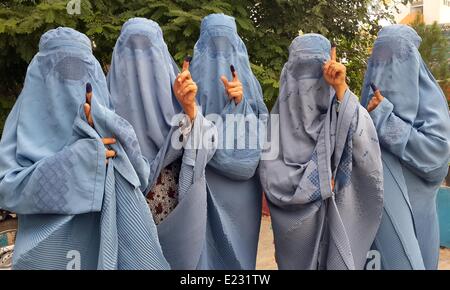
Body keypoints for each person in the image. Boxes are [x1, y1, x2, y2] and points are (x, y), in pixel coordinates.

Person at [0, 27, 169, 269]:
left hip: (104, 248)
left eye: (80, 70)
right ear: (38, 74)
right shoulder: (22, 123)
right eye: (60, 70)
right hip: (44, 256)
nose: (72, 82)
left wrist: (112, 140)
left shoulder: (108, 120)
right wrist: (80, 160)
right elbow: (7, 187)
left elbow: (140, 177)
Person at [259, 34, 384, 270]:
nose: (309, 81)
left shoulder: (343, 111)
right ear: (288, 73)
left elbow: (365, 148)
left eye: (316, 71)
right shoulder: (275, 124)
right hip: (292, 237)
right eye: (301, 70)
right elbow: (269, 176)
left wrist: (341, 87)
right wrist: (320, 184)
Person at [107, 18, 216, 270]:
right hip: (125, 229)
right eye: (131, 52)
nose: (140, 65)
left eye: (148, 52)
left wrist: (189, 108)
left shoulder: (180, 97)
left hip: (177, 229)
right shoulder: (103, 105)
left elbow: (208, 146)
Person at [362, 24, 450, 270]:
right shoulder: (365, 103)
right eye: (379, 60)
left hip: (418, 222)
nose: (386, 68)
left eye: (396, 58)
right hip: (372, 227)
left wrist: (385, 119)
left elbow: (436, 159)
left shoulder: (431, 105)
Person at [189, 13, 268, 269]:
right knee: (203, 257)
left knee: (239, 259)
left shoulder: (250, 85)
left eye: (226, 45)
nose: (219, 56)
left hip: (243, 192)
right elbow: (178, 134)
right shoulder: (187, 84)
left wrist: (241, 104)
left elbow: (266, 133)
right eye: (212, 48)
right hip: (201, 184)